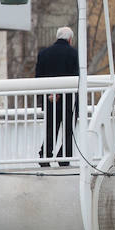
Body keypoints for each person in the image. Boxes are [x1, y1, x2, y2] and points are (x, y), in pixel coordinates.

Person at [35, 26, 79, 167]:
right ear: (70, 39)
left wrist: (50, 93)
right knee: (68, 128)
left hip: (49, 99)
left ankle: (45, 155)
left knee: (50, 128)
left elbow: (38, 77)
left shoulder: (44, 54)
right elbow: (75, 77)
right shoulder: (74, 54)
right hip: (68, 99)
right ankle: (63, 156)